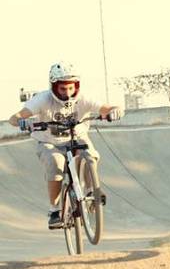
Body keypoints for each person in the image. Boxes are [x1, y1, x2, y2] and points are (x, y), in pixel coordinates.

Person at [8, 62, 123, 229]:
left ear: (77, 86)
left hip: (77, 138)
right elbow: (15, 117)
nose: (68, 93)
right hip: (49, 142)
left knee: (89, 155)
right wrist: (22, 121)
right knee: (56, 163)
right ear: (54, 87)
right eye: (63, 89)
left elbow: (106, 108)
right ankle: (54, 210)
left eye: (71, 88)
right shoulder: (42, 99)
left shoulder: (84, 97)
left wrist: (115, 110)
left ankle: (92, 192)